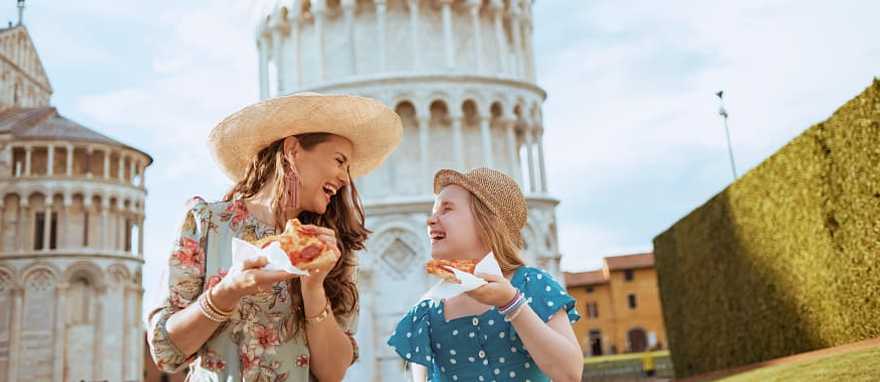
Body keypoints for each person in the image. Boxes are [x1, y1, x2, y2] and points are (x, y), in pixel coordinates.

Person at [147, 93, 402, 381]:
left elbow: (332, 373)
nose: (346, 178)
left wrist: (314, 288)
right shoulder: (206, 223)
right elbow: (166, 352)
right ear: (293, 150)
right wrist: (227, 291)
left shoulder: (331, 247)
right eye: (339, 161)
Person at [387, 168, 583, 382]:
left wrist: (512, 303)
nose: (431, 220)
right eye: (434, 211)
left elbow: (569, 374)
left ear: (487, 221)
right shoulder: (425, 313)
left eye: (447, 209)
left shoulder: (531, 285)